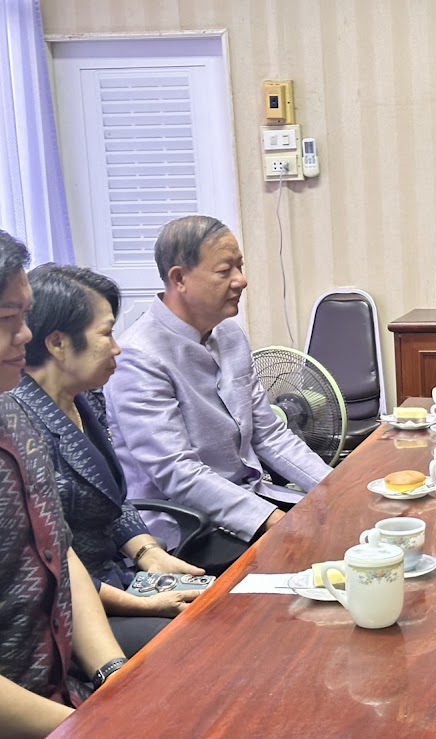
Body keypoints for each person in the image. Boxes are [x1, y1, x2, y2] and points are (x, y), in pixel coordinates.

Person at [104, 215, 332, 574]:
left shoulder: (229, 335)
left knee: (344, 527)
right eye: (225, 270)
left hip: (251, 499)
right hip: (188, 526)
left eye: (239, 266)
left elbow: (269, 433)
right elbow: (177, 472)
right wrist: (272, 520)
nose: (241, 280)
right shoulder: (138, 356)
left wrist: (333, 488)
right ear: (179, 278)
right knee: (312, 559)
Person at [11, 264, 205, 658]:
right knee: (198, 644)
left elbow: (113, 497)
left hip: (122, 579)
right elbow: (49, 564)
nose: (117, 347)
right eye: (106, 333)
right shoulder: (19, 424)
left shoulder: (87, 397)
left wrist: (149, 554)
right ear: (58, 343)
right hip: (75, 613)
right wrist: (142, 604)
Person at [0, 231, 127, 736]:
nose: (26, 336)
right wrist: (90, 727)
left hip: (63, 690)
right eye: (10, 320)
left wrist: (115, 676)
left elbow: (56, 548)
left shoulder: (14, 412)